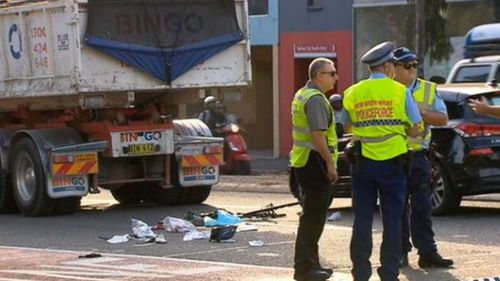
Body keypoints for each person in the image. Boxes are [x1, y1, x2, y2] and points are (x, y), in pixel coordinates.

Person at [340, 41, 421, 281]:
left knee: (362, 219)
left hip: (363, 163)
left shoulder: (353, 91)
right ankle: (389, 272)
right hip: (394, 164)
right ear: (386, 65)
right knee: (393, 220)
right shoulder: (400, 91)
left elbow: (346, 126)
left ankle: (360, 272)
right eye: (393, 65)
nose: (394, 69)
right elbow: (416, 130)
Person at [392, 47, 453, 269]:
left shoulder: (427, 89)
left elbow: (443, 118)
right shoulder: (387, 90)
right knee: (396, 208)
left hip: (418, 157)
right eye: (407, 66)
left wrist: (419, 114)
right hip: (394, 156)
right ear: (394, 68)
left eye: (415, 66)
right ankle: (400, 253)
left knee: (422, 207)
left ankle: (427, 252)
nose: (413, 70)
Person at [290, 57, 339, 281]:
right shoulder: (316, 99)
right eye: (332, 73)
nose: (335, 77)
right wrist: (330, 164)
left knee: (312, 215)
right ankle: (305, 268)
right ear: (319, 75)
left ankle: (311, 264)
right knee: (313, 217)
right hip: (314, 161)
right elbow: (317, 136)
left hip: (304, 160)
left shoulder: (303, 93)